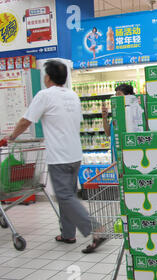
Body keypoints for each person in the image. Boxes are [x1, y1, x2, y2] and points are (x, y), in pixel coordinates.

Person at [6, 60, 106, 254]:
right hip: (75, 155)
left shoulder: (45, 95)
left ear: (48, 77)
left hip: (59, 156)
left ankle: (96, 229)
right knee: (67, 195)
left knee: (64, 196)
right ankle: (68, 234)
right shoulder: (73, 95)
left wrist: (10, 137)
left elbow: (26, 120)